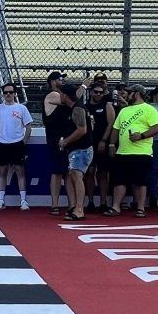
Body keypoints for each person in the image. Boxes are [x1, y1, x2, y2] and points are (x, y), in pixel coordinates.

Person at [110, 82, 158, 218]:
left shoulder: (149, 109)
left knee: (140, 181)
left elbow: (157, 127)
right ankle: (116, 207)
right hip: (123, 151)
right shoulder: (124, 110)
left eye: (129, 92)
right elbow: (116, 129)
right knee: (119, 180)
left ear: (137, 94)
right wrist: (111, 144)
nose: (126, 95)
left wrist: (141, 136)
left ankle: (140, 208)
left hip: (141, 151)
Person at [0, 81, 33, 210]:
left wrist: (23, 142)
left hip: (17, 144)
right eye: (6, 92)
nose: (8, 94)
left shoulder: (21, 108)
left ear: (15, 93)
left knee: (20, 172)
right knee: (2, 172)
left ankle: (23, 201)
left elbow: (28, 127)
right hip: (2, 144)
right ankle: (1, 200)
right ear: (3, 94)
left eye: (11, 92)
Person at [56, 80, 93, 222]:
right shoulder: (76, 107)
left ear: (65, 95)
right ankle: (77, 207)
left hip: (81, 149)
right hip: (77, 149)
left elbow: (82, 130)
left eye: (61, 94)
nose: (59, 96)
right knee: (73, 176)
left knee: (77, 177)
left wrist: (65, 141)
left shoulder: (78, 109)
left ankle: (79, 209)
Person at [83, 79, 116, 212]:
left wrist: (104, 140)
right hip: (89, 143)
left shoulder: (107, 105)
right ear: (91, 92)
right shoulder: (85, 107)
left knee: (102, 173)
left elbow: (111, 123)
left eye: (101, 93)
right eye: (96, 92)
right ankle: (90, 201)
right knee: (89, 172)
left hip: (102, 142)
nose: (98, 95)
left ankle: (103, 202)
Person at [41, 71, 68, 213]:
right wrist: (83, 86)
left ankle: (72, 204)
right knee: (57, 172)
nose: (63, 80)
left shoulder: (62, 96)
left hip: (67, 138)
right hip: (56, 139)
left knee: (69, 172)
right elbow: (71, 100)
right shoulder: (53, 95)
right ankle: (55, 204)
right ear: (52, 82)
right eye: (60, 78)